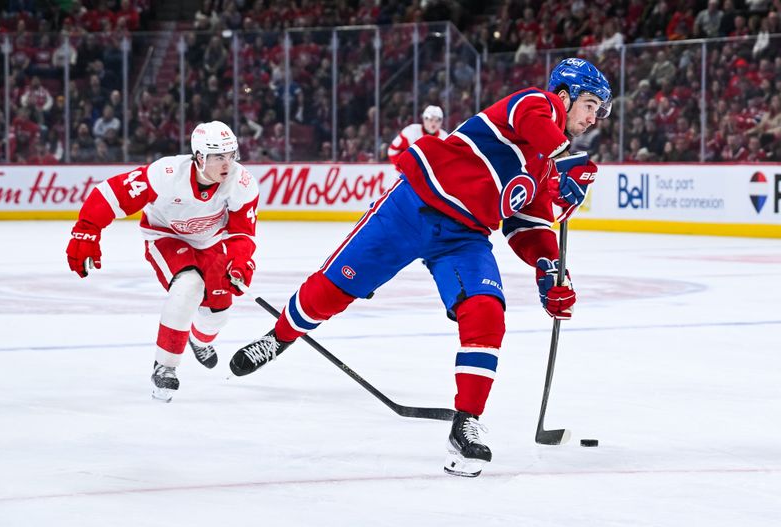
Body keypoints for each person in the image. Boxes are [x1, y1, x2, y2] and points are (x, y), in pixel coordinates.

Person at [230, 58, 611, 477]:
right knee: (332, 291)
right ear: (564, 95)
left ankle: (466, 421)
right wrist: (561, 162)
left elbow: (527, 227)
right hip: (413, 207)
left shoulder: (543, 167)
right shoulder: (537, 104)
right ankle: (279, 337)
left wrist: (550, 269)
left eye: (600, 110)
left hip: (465, 237)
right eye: (590, 104)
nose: (594, 117)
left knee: (486, 312)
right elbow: (536, 123)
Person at [66, 121, 259, 402]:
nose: (227, 164)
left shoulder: (241, 182)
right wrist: (86, 231)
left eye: (231, 155)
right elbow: (110, 194)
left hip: (212, 241)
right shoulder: (166, 174)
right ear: (200, 157)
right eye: (219, 156)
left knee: (217, 315)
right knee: (189, 286)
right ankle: (165, 366)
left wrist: (240, 262)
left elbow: (242, 231)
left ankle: (198, 338)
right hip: (166, 236)